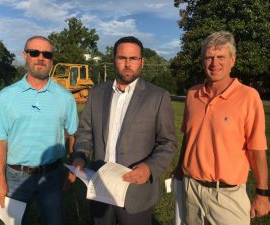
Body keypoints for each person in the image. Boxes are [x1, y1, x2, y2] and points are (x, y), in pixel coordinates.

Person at [72, 36, 177, 225]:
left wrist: (149, 168)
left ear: (142, 62)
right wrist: (80, 156)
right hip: (100, 187)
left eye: (133, 58)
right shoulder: (96, 93)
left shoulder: (158, 96)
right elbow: (85, 132)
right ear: (114, 60)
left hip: (135, 190)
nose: (127, 64)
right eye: (122, 58)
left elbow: (168, 143)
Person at [173, 31, 269, 225]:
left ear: (232, 60)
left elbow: (257, 149)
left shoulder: (249, 97)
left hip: (227, 195)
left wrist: (262, 193)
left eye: (221, 57)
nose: (214, 63)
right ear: (202, 62)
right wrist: (179, 167)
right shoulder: (193, 94)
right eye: (209, 57)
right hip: (192, 189)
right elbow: (188, 136)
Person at [0, 36, 78, 225]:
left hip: (52, 176)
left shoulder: (66, 97)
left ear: (52, 59)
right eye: (34, 52)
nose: (40, 58)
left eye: (47, 54)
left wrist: (72, 167)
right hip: (15, 177)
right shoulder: (6, 96)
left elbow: (73, 134)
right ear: (25, 55)